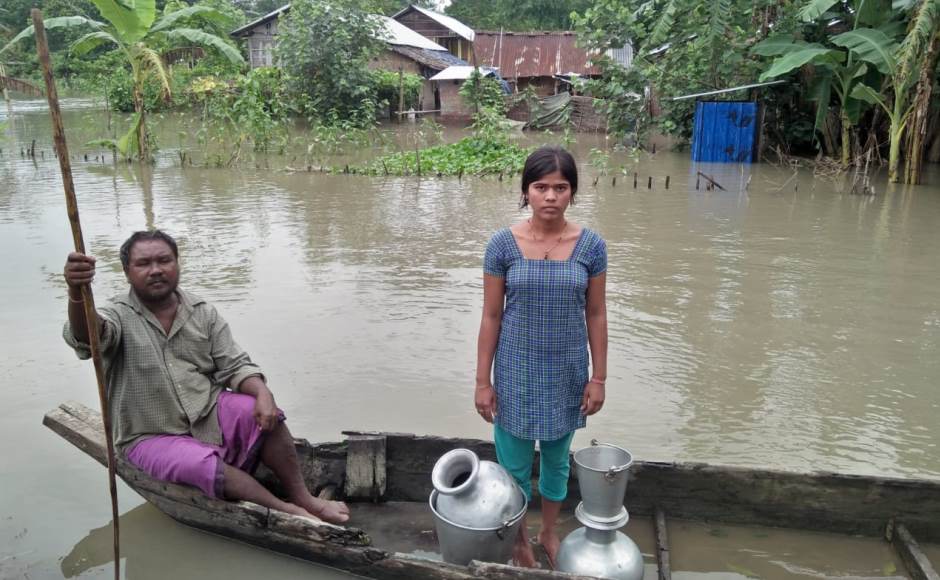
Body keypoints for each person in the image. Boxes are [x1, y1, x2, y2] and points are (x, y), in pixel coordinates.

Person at [63, 230, 349, 524]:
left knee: (266, 414)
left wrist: (264, 394)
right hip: (148, 432)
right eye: (143, 263)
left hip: (205, 411)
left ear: (177, 263)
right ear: (127, 272)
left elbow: (235, 365)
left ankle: (304, 498)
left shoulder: (201, 312)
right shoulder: (117, 315)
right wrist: (76, 292)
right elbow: (87, 336)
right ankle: (284, 509)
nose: (156, 270)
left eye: (164, 260)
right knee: (201, 464)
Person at [474, 146, 608, 568]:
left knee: (555, 464)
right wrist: (482, 381)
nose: (550, 196)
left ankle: (548, 530)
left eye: (560, 187)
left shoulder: (590, 247)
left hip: (567, 373)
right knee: (513, 467)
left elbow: (597, 313)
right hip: (515, 372)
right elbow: (491, 315)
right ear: (526, 192)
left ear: (572, 193)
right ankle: (517, 541)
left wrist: (598, 377)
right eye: (540, 187)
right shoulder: (502, 245)